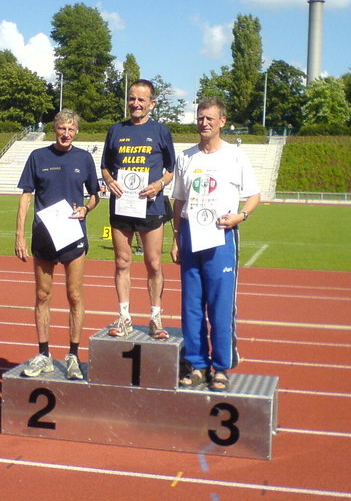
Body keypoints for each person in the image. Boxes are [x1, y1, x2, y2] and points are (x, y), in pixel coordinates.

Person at [170, 98, 260, 391]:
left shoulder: (235, 156)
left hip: (221, 237)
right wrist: (175, 237)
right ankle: (196, 365)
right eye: (200, 117)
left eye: (210, 118)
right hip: (190, 236)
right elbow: (179, 200)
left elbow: (254, 195)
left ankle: (220, 367)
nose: (204, 122)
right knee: (191, 305)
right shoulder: (186, 157)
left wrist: (240, 216)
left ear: (222, 121)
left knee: (220, 306)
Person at [15, 109, 100, 380]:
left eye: (71, 129)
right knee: (42, 296)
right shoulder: (38, 157)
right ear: (55, 128)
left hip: (73, 236)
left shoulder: (84, 158)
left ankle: (73, 355)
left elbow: (96, 196)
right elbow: (26, 196)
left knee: (75, 295)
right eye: (62, 128)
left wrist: (86, 209)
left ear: (76, 132)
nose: (66, 134)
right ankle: (44, 354)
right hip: (44, 235)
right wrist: (19, 234)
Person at [100, 79, 176, 339]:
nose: (136, 103)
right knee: (122, 261)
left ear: (152, 103)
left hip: (151, 207)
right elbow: (105, 167)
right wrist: (110, 181)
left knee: (153, 263)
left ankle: (155, 317)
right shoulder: (115, 130)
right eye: (132, 98)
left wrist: (158, 185)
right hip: (122, 206)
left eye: (142, 99)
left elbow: (171, 170)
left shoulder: (161, 131)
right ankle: (124, 317)